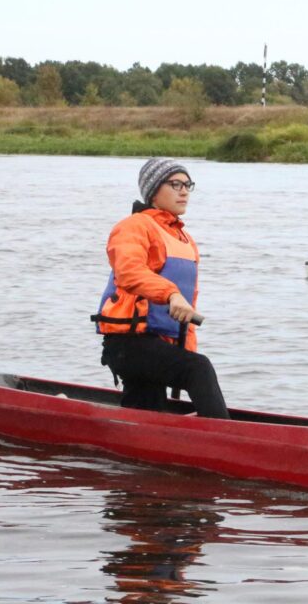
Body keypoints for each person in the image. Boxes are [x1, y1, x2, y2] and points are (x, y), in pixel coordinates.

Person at [92, 158, 229, 419]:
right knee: (199, 368)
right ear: (154, 190)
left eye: (188, 184)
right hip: (128, 344)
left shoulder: (184, 239)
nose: (184, 191)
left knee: (146, 410)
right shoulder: (134, 226)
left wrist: (183, 353)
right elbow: (129, 271)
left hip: (158, 344)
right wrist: (170, 294)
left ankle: (132, 446)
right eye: (175, 184)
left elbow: (187, 308)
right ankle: (232, 442)